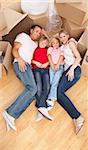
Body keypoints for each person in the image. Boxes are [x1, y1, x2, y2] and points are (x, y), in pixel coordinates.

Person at [3, 25, 44, 131]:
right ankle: (10, 113)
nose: (38, 34)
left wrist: (45, 34)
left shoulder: (35, 44)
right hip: (21, 63)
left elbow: (47, 42)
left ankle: (12, 115)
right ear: (31, 30)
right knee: (33, 88)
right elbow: (15, 49)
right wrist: (19, 59)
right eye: (36, 31)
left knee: (35, 92)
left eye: (39, 33)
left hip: (29, 66)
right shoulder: (23, 36)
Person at [56, 29, 85, 134]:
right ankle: (76, 118)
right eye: (61, 37)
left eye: (64, 36)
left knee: (58, 93)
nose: (62, 38)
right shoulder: (62, 47)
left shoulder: (70, 43)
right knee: (58, 94)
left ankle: (78, 117)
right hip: (67, 71)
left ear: (68, 36)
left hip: (74, 69)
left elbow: (78, 58)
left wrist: (72, 69)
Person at [32, 36, 53, 121]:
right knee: (39, 88)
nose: (43, 44)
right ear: (39, 42)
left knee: (47, 87)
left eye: (45, 43)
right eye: (42, 42)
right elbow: (31, 60)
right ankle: (42, 107)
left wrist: (47, 63)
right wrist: (36, 62)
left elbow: (51, 59)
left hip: (45, 69)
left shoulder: (47, 50)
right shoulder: (35, 49)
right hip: (36, 69)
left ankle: (40, 109)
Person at [46, 37, 64, 109]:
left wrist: (57, 64)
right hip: (52, 66)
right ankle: (52, 95)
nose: (55, 44)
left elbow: (62, 56)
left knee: (55, 81)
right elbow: (49, 56)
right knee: (51, 81)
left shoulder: (61, 49)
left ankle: (51, 99)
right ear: (51, 44)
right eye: (53, 43)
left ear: (59, 43)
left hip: (59, 66)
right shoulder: (50, 49)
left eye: (56, 42)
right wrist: (52, 64)